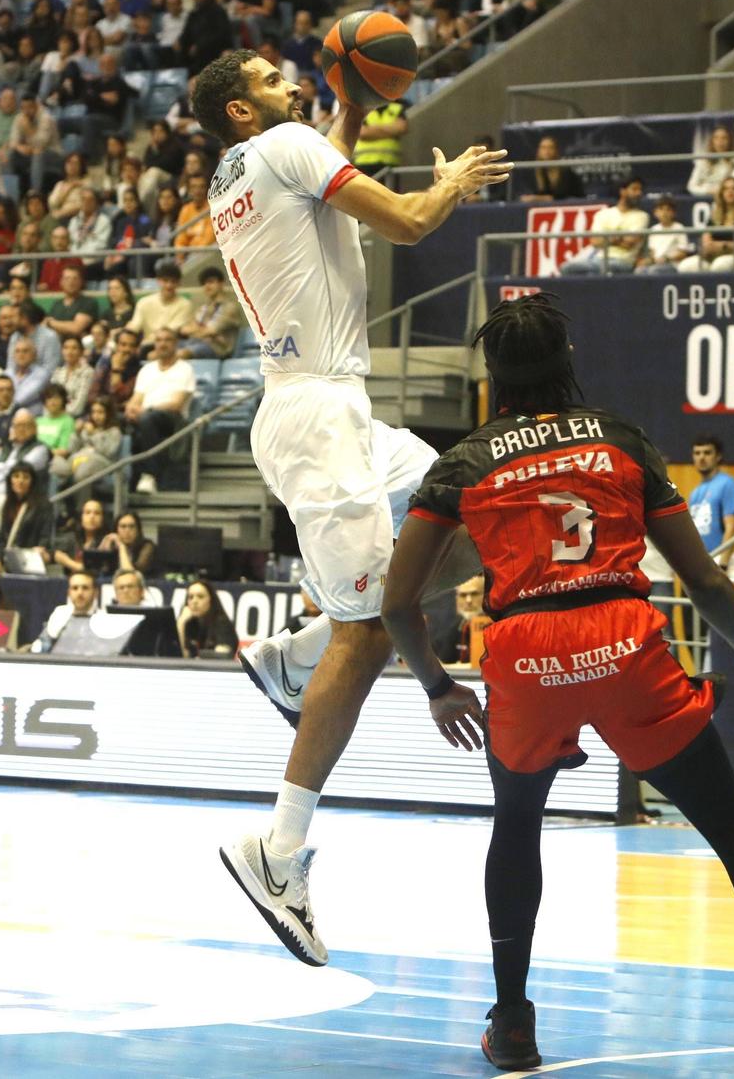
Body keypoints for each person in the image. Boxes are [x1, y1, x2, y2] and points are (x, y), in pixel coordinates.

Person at [378, 293, 734, 1077]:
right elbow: (705, 581)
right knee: (731, 827)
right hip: (623, 640)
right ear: (568, 366)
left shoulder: (464, 462)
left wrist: (436, 687)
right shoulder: (620, 439)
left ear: (495, 378)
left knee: (516, 826)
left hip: (526, 654)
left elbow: (396, 603)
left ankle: (514, 1023)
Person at [190, 48, 507, 967]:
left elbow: (317, 151)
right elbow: (407, 223)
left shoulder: (244, 166)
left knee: (471, 504)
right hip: (319, 413)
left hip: (329, 410)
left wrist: (351, 108)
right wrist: (445, 183)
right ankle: (277, 851)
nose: (291, 83)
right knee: (368, 633)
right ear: (246, 112)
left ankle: (291, 654)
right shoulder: (284, 142)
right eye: (271, 79)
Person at [685, 433, 734, 556]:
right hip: (699, 560)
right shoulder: (695, 493)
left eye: (707, 453)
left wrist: (723, 563)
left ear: (718, 456)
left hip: (717, 560)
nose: (702, 457)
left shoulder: (727, 484)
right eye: (697, 453)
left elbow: (731, 527)